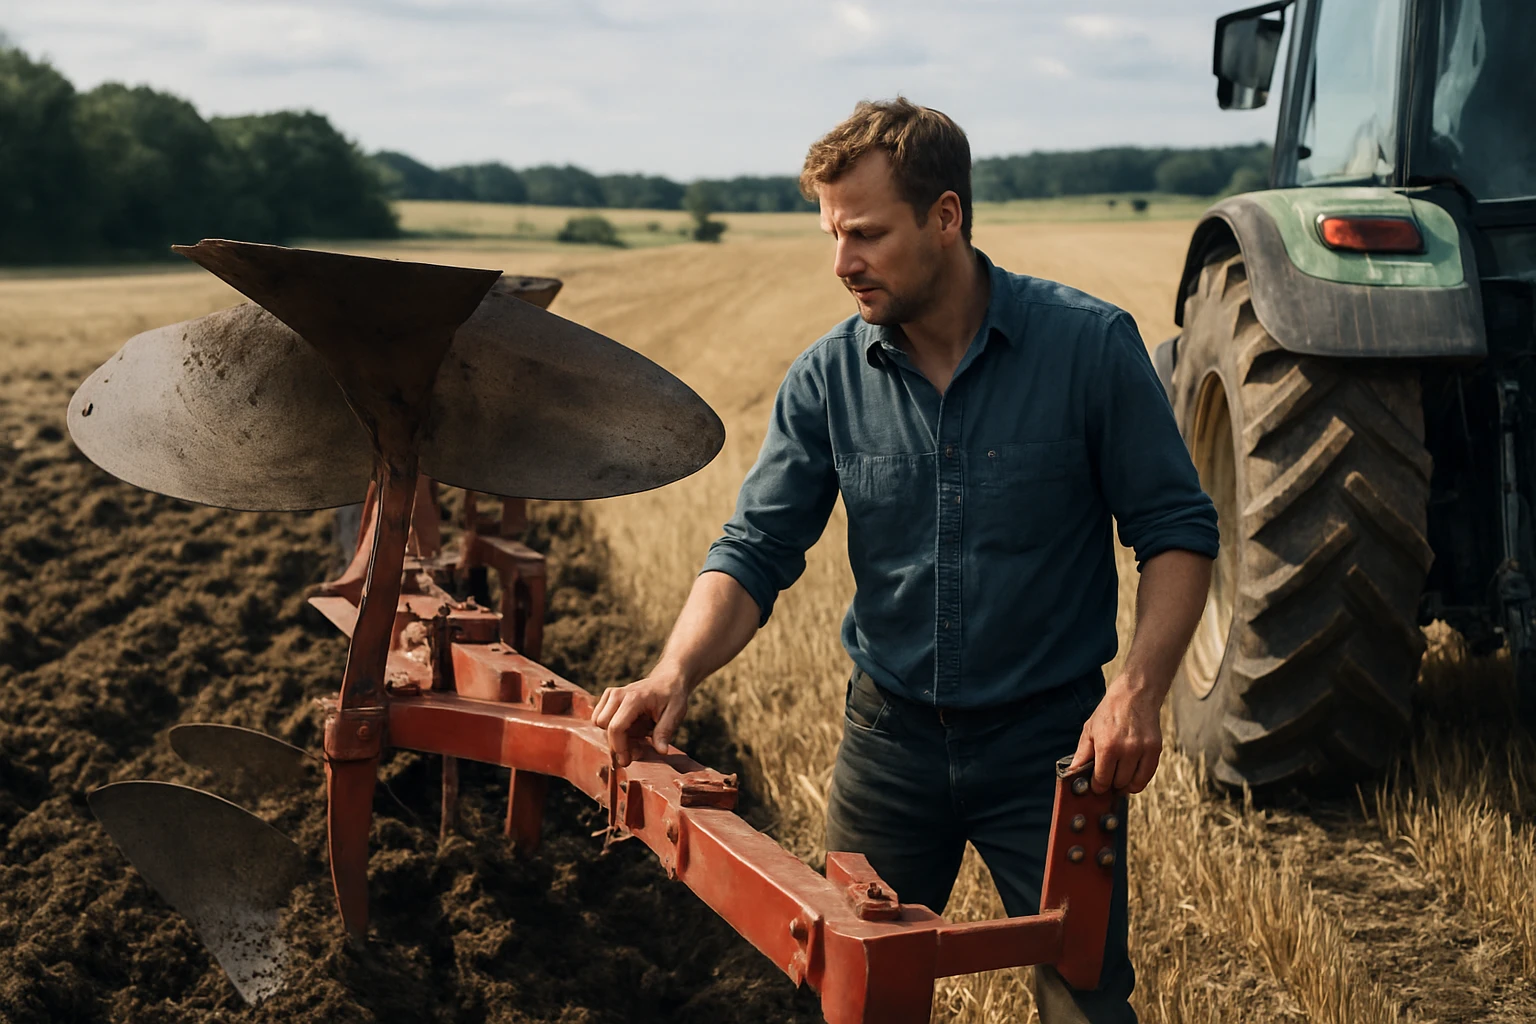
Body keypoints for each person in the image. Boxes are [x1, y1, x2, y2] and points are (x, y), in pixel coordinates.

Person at [593, 97, 1217, 1023]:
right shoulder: (826, 379)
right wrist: (672, 672)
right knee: (854, 998)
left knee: (1087, 1001)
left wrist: (1138, 690)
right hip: (889, 752)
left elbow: (1176, 529)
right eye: (832, 235)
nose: (842, 263)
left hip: (1050, 754)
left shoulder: (1089, 348)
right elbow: (757, 548)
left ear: (946, 216)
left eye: (867, 235)